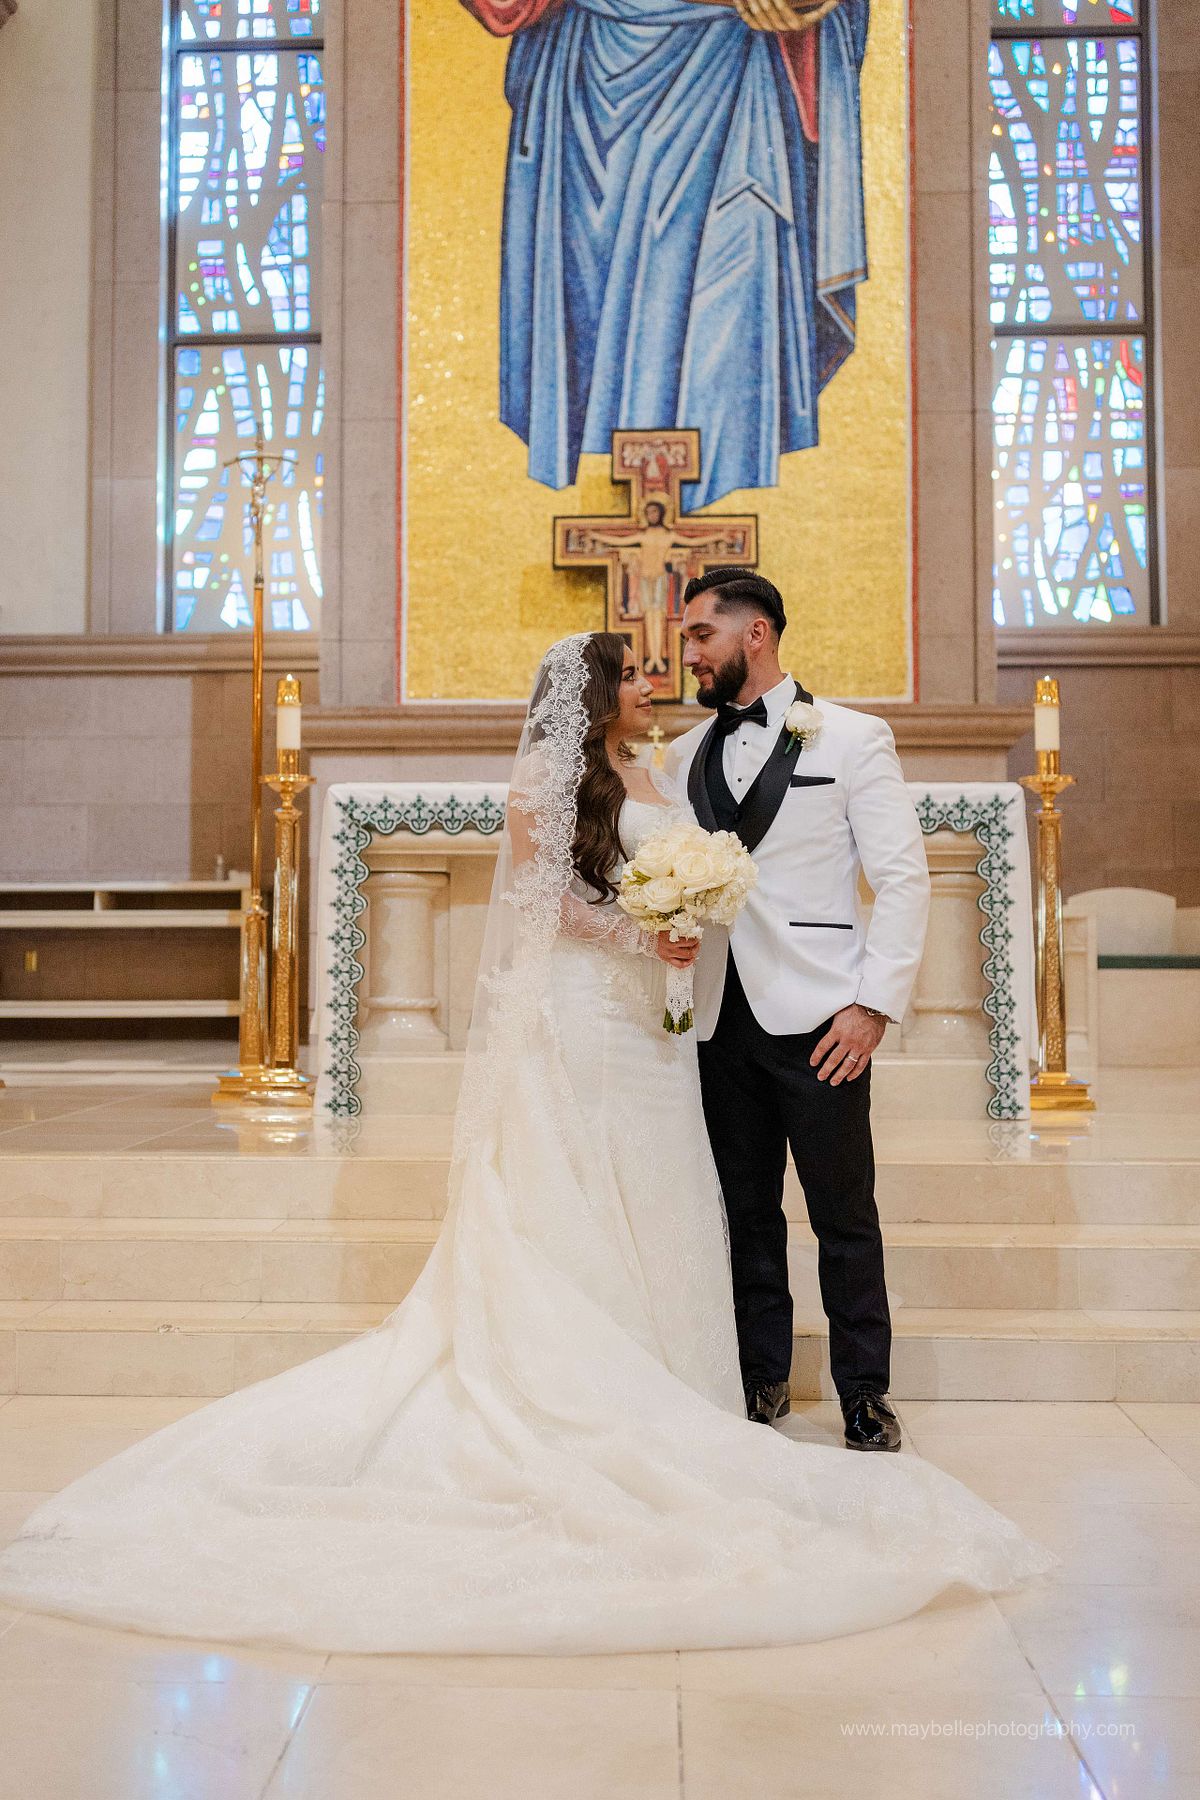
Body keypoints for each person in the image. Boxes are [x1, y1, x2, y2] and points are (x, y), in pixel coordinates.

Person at [0, 633, 1051, 1654]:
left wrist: (685, 928)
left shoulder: (663, 766)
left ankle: (726, 1383)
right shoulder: (555, 782)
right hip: (592, 1012)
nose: (657, 680)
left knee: (695, 1190)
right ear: (596, 697)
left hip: (669, 1022)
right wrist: (650, 928)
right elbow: (551, 907)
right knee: (593, 1180)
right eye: (637, 672)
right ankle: (616, 1384)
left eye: (672, 654)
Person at [669, 567, 926, 1448]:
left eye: (701, 634)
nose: (689, 652)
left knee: (843, 1211)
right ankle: (759, 1379)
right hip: (717, 1017)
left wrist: (873, 1006)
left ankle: (864, 1392)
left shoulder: (854, 740)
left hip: (822, 1015)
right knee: (743, 1210)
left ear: (755, 634)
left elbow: (900, 880)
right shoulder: (680, 756)